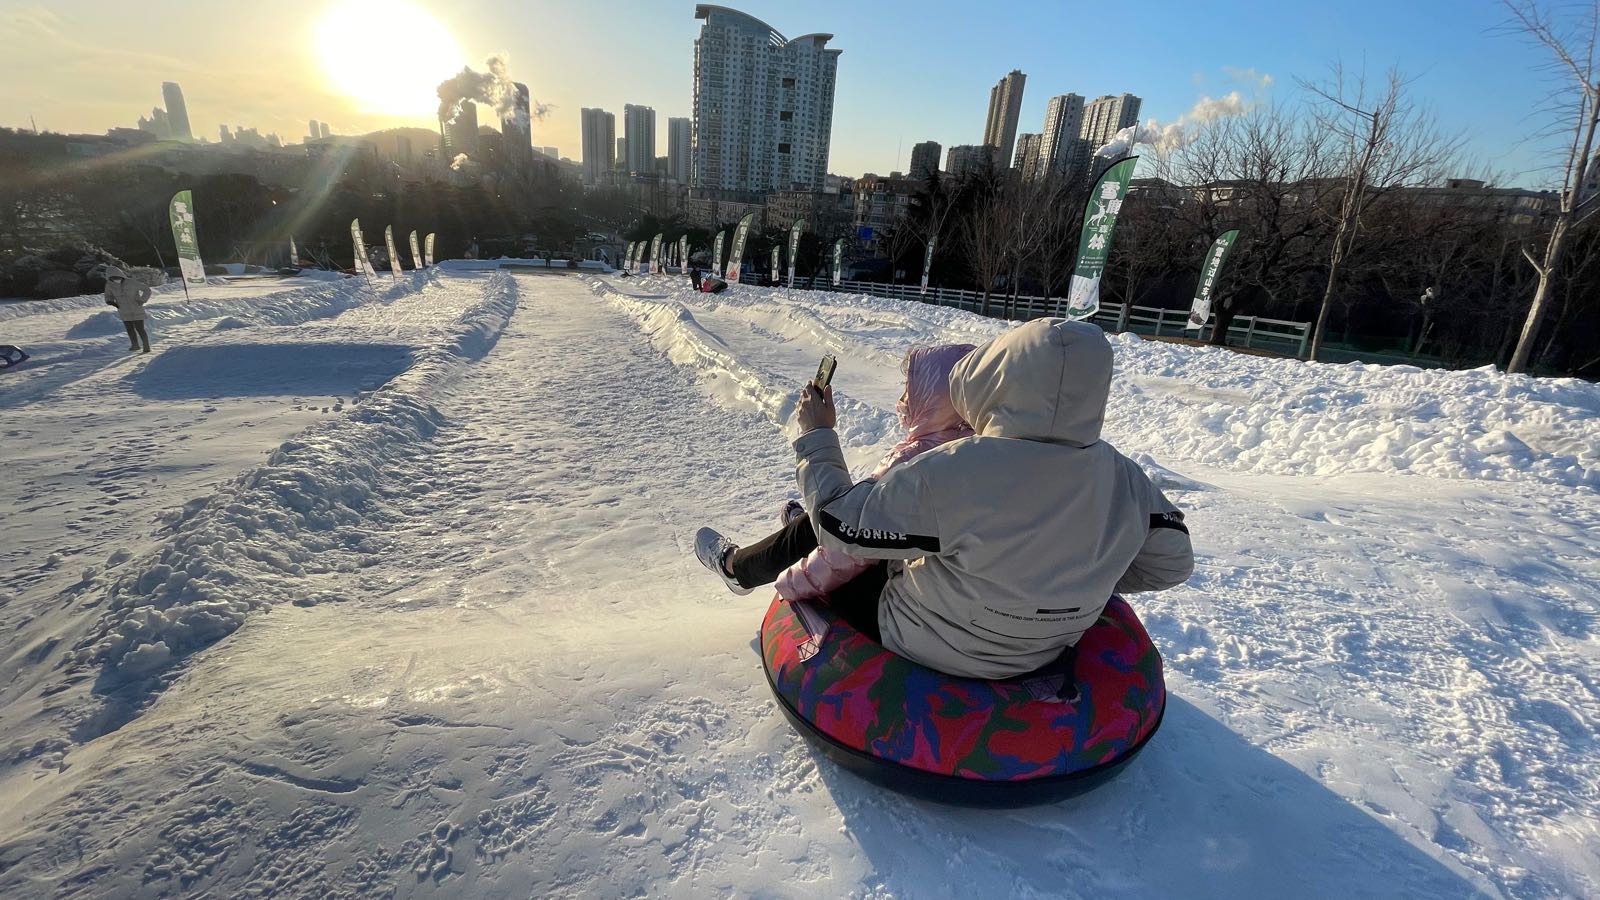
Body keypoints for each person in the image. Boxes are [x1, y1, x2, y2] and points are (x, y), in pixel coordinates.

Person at [780, 318, 1192, 681]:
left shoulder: (954, 468)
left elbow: (840, 526)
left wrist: (816, 435)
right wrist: (1073, 577)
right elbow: (1173, 563)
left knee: (857, 554)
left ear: (997, 380)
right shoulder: (1126, 477)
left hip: (925, 640)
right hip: (1044, 649)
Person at [695, 344, 976, 599]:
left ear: (932, 398)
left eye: (909, 391)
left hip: (900, 593)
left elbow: (846, 550)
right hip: (935, 582)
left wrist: (790, 583)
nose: (902, 399)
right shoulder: (969, 447)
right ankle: (808, 525)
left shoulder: (916, 460)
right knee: (838, 515)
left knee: (828, 525)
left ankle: (736, 567)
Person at [103, 267, 152, 352]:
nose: (116, 279)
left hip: (137, 309)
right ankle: (135, 345)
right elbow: (108, 295)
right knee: (130, 329)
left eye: (117, 277)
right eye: (113, 278)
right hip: (123, 310)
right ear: (110, 278)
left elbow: (147, 290)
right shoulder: (109, 285)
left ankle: (146, 346)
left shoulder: (132, 282)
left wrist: (142, 300)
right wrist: (110, 301)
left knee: (140, 329)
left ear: (120, 275)